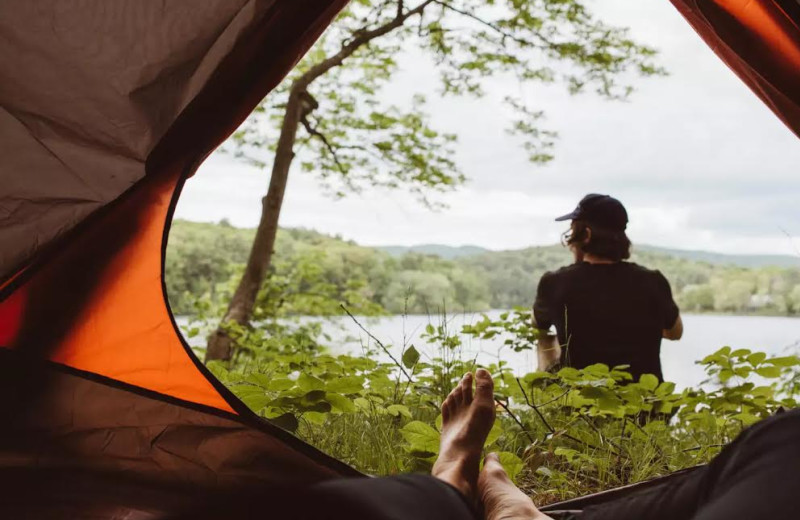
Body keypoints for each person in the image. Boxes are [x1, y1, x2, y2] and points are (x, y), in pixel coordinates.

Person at [178, 369, 798, 520]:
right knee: (782, 438)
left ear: (578, 237)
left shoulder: (561, 280)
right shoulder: (655, 279)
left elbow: (547, 348)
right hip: (646, 398)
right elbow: (675, 329)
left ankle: (455, 475)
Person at [533, 194, 683, 382]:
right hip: (646, 405)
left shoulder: (554, 283)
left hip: (579, 403)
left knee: (544, 339)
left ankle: (547, 399)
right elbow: (675, 333)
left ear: (585, 235)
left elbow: (537, 326)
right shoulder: (653, 281)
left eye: (572, 232)